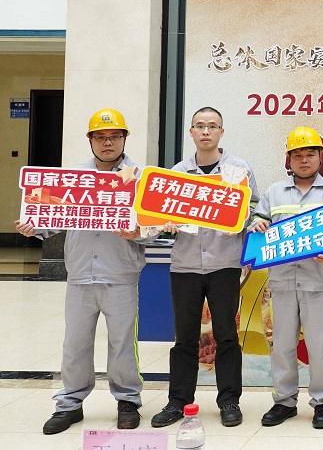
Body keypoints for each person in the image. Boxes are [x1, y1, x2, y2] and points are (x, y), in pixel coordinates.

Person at [15, 108, 147, 434]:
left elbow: (154, 227)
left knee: (122, 344)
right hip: (80, 276)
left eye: (114, 136)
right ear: (90, 140)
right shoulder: (71, 180)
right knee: (75, 344)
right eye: (100, 137)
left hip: (120, 275)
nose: (107, 142)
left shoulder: (139, 179)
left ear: (124, 139)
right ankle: (70, 404)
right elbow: (49, 221)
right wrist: (33, 226)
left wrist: (139, 232)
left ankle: (127, 401)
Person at [151, 107, 258, 428]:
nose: (206, 131)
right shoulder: (178, 173)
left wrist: (243, 221)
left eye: (212, 126)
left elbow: (253, 209)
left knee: (226, 335)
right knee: (184, 337)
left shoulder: (238, 170)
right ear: (191, 132)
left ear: (222, 132)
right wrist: (166, 224)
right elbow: (160, 217)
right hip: (185, 265)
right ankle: (178, 401)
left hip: (225, 264)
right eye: (200, 126)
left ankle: (229, 401)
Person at [248, 126, 323, 429]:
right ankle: (284, 401)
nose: (304, 160)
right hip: (282, 282)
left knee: (319, 346)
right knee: (282, 345)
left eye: (310, 154)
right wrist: (257, 225)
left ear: (320, 157)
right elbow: (258, 219)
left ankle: (322, 402)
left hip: (317, 281)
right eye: (298, 155)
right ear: (289, 159)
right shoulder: (274, 192)